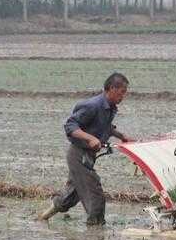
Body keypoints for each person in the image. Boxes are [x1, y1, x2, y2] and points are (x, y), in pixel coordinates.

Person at [38, 73, 132, 225]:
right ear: (112, 89)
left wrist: (121, 136)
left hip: (88, 156)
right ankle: (95, 230)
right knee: (95, 193)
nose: (123, 96)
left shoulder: (110, 107)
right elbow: (70, 126)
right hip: (78, 155)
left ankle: (43, 217)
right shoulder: (92, 105)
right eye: (122, 92)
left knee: (71, 195)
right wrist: (90, 138)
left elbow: (104, 125)